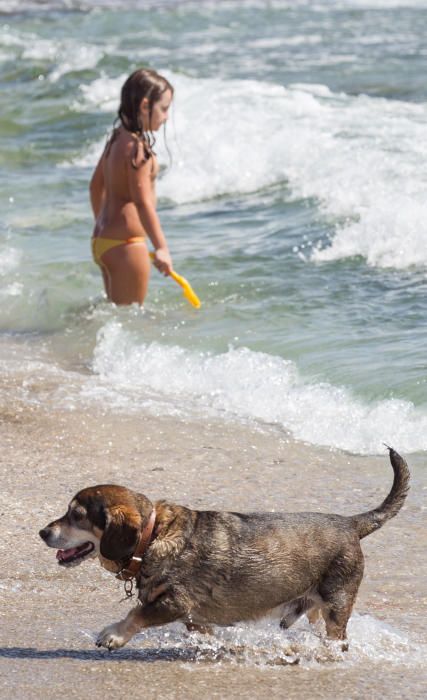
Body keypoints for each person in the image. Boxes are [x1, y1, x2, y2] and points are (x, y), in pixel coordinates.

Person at [90, 68, 174, 305]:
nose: (166, 117)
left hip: (102, 242)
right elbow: (142, 202)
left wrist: (103, 225)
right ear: (145, 105)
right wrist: (162, 248)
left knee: (113, 318)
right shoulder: (138, 151)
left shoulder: (117, 138)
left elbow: (95, 186)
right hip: (126, 247)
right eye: (164, 108)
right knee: (129, 322)